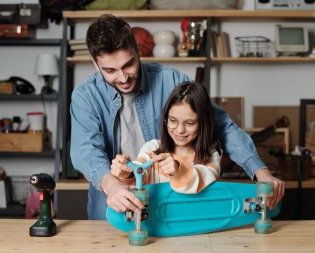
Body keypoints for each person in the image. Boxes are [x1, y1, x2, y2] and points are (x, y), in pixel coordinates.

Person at [70, 14, 284, 220]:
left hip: (169, 207)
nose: (123, 77)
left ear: (138, 50)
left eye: (128, 65)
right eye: (110, 70)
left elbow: (222, 125)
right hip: (112, 204)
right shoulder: (85, 96)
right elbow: (85, 150)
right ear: (95, 64)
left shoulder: (171, 80)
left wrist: (261, 172)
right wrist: (112, 184)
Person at [110, 81, 222, 194]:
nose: (180, 130)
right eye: (173, 121)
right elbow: (140, 173)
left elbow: (203, 178)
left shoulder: (212, 153)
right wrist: (127, 172)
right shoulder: (152, 148)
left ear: (204, 123)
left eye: (190, 123)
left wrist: (178, 170)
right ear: (166, 119)